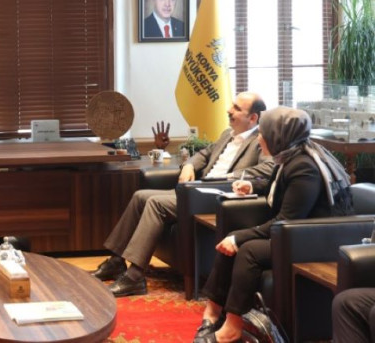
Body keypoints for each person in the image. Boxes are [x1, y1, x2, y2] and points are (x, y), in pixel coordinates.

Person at [91, 92, 275, 298]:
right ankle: (117, 261)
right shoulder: (227, 134)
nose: (229, 110)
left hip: (219, 195)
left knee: (156, 203)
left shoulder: (261, 140)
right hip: (197, 189)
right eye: (232, 105)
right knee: (140, 196)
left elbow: (268, 169)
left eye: (237, 109)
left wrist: (228, 177)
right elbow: (204, 154)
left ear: (253, 118)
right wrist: (188, 166)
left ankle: (134, 277)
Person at [194, 106, 354, 342]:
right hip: (296, 235)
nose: (259, 138)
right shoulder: (291, 155)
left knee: (247, 249)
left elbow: (287, 220)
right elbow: (277, 183)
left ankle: (232, 327)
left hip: (317, 241)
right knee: (233, 239)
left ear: (279, 136)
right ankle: (213, 314)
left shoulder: (304, 167)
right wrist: (253, 185)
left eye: (263, 133)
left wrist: (239, 237)